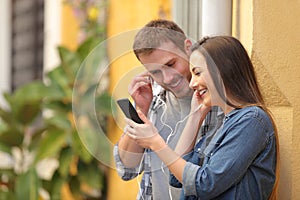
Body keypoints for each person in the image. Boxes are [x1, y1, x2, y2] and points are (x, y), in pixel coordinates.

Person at [124, 36, 280, 199]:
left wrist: (155, 142)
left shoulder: (252, 121)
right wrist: (196, 115)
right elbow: (176, 176)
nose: (192, 84)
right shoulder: (225, 124)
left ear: (222, 69)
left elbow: (205, 184)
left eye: (197, 73)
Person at [113, 20, 224, 200]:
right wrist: (141, 109)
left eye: (171, 64)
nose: (168, 78)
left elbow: (210, 181)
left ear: (188, 47)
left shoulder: (219, 100)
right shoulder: (152, 97)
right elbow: (126, 169)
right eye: (156, 72)